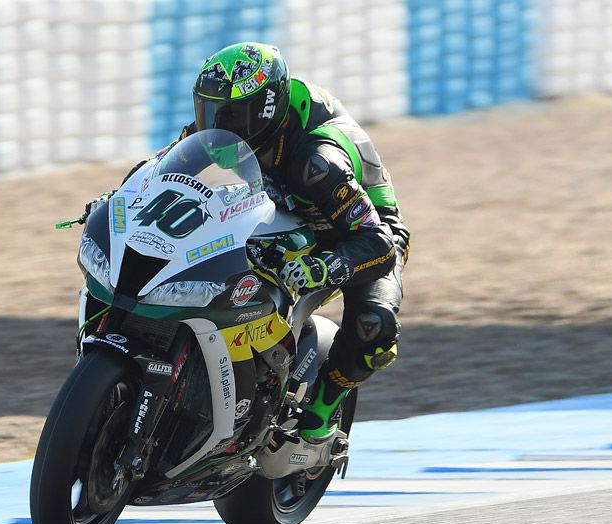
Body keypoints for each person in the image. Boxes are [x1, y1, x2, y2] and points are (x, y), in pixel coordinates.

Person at [89, 42, 410, 443]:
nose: (212, 124)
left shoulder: (317, 162)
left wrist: (323, 265)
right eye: (205, 110)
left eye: (226, 115)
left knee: (372, 327)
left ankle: (321, 415)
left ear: (264, 110)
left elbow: (377, 243)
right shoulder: (222, 133)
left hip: (355, 228)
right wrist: (120, 203)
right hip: (280, 205)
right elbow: (159, 170)